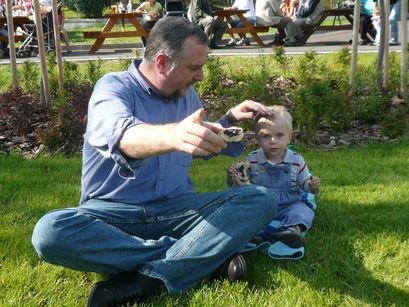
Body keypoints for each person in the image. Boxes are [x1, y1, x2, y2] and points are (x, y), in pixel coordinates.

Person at [31, 17, 277, 307]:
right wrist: (174, 134)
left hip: (178, 212)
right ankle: (197, 256)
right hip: (114, 217)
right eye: (194, 68)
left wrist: (230, 120)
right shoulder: (112, 89)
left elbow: (196, 142)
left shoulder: (187, 94)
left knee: (260, 199)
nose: (200, 76)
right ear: (162, 62)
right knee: (50, 232)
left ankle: (145, 279)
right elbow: (124, 137)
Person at [227, 105, 320, 249]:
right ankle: (253, 234)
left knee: (303, 211)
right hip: (261, 205)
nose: (272, 141)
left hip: (289, 204)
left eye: (279, 135)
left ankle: (292, 231)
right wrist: (233, 176)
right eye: (266, 136)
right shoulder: (252, 160)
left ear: (289, 137)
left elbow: (304, 184)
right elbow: (241, 187)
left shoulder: (296, 160)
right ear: (257, 138)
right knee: (243, 213)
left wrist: (311, 185)